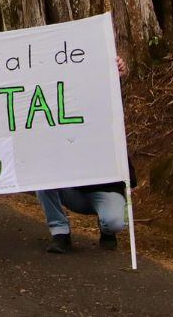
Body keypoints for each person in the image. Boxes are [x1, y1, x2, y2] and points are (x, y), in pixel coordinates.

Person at [36, 55, 136, 253]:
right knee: (41, 180)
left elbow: (109, 96)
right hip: (72, 187)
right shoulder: (59, 113)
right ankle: (60, 232)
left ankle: (106, 230)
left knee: (115, 223)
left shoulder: (105, 113)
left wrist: (117, 73)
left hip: (104, 188)